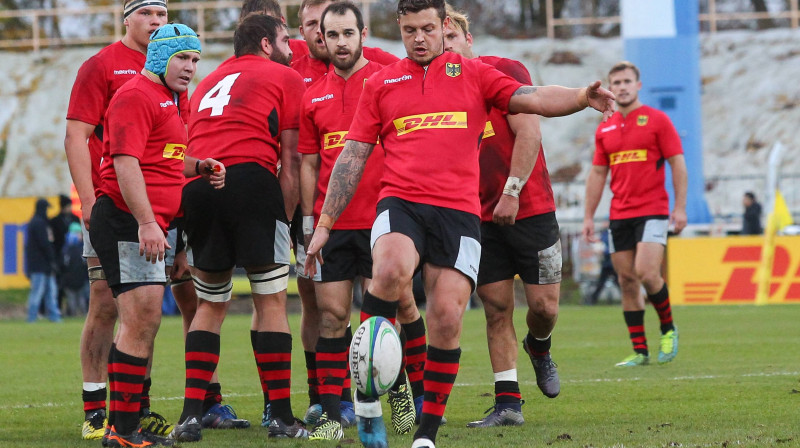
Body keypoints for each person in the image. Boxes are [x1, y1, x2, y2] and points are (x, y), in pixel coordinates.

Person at [304, 1, 615, 446]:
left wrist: (582, 98)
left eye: (428, 28)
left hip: (459, 213)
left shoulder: (474, 74)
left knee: (447, 317)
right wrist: (325, 223)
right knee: (389, 272)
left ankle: (425, 436)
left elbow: (532, 98)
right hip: (401, 203)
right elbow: (352, 156)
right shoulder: (381, 82)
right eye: (409, 30)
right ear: (399, 28)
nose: (419, 38)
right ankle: (370, 403)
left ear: (445, 26)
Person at [169, 14, 308, 441]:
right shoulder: (285, 76)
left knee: (210, 306)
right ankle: (282, 417)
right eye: (286, 40)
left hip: (199, 185)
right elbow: (292, 157)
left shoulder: (210, 79)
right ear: (266, 43)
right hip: (250, 181)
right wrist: (283, 216)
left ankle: (192, 415)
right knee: (270, 303)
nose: (291, 48)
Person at [88, 23, 224, 446]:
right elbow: (126, 165)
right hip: (126, 218)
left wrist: (197, 165)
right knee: (141, 319)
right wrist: (147, 221)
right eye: (182, 58)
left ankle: (122, 427)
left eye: (196, 59)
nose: (190, 67)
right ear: (159, 57)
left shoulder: (170, 99)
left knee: (143, 320)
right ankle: (124, 432)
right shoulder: (134, 96)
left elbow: (163, 159)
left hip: (145, 220)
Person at [298, 2, 426, 439]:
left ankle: (408, 394)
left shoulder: (387, 80)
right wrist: (312, 221)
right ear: (321, 38)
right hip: (334, 224)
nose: (339, 43)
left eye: (346, 34)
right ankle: (334, 417)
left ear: (363, 33)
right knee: (332, 316)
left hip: (383, 218)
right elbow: (310, 166)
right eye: (330, 35)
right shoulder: (311, 94)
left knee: (397, 310)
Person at [65, 0, 181, 439]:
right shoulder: (104, 66)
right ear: (126, 19)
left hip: (155, 209)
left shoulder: (171, 69)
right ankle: (96, 409)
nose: (155, 21)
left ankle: (134, 409)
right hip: (111, 203)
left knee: (142, 308)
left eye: (161, 14)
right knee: (106, 300)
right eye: (146, 13)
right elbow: (77, 135)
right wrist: (89, 199)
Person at [443, 5, 562, 429]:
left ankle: (540, 346)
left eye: (452, 38)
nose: (447, 49)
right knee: (495, 307)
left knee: (545, 307)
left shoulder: (503, 69)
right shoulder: (436, 92)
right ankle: (507, 402)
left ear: (467, 40)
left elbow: (529, 131)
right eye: (440, 43)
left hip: (531, 208)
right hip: (476, 217)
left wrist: (511, 192)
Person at [582, 61, 686, 367]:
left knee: (646, 272)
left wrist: (679, 208)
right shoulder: (606, 127)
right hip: (620, 214)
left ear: (638, 86)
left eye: (628, 81)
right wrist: (589, 216)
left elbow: (677, 164)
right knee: (627, 280)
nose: (623, 86)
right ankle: (640, 350)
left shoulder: (657, 120)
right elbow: (598, 174)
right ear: (610, 89)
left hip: (653, 210)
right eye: (616, 82)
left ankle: (668, 329)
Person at [292, 0, 400, 87]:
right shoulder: (293, 74)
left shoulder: (377, 59)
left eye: (326, 22)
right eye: (312, 24)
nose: (320, 29)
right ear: (302, 32)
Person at [25, 198, 62, 323]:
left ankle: (53, 317)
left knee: (49, 292)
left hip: (41, 265)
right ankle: (33, 317)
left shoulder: (35, 222)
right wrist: (52, 260)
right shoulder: (39, 223)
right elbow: (45, 244)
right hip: (40, 265)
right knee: (41, 292)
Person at [50, 194, 81, 310]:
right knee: (60, 285)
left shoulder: (75, 219)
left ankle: (73, 309)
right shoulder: (55, 221)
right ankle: (59, 307)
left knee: (76, 284)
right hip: (60, 257)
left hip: (75, 257)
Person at [61, 221, 90, 316]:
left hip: (71, 279)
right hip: (80, 278)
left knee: (74, 298)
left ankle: (76, 314)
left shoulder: (66, 249)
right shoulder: (80, 249)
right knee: (80, 298)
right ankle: (81, 314)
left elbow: (64, 265)